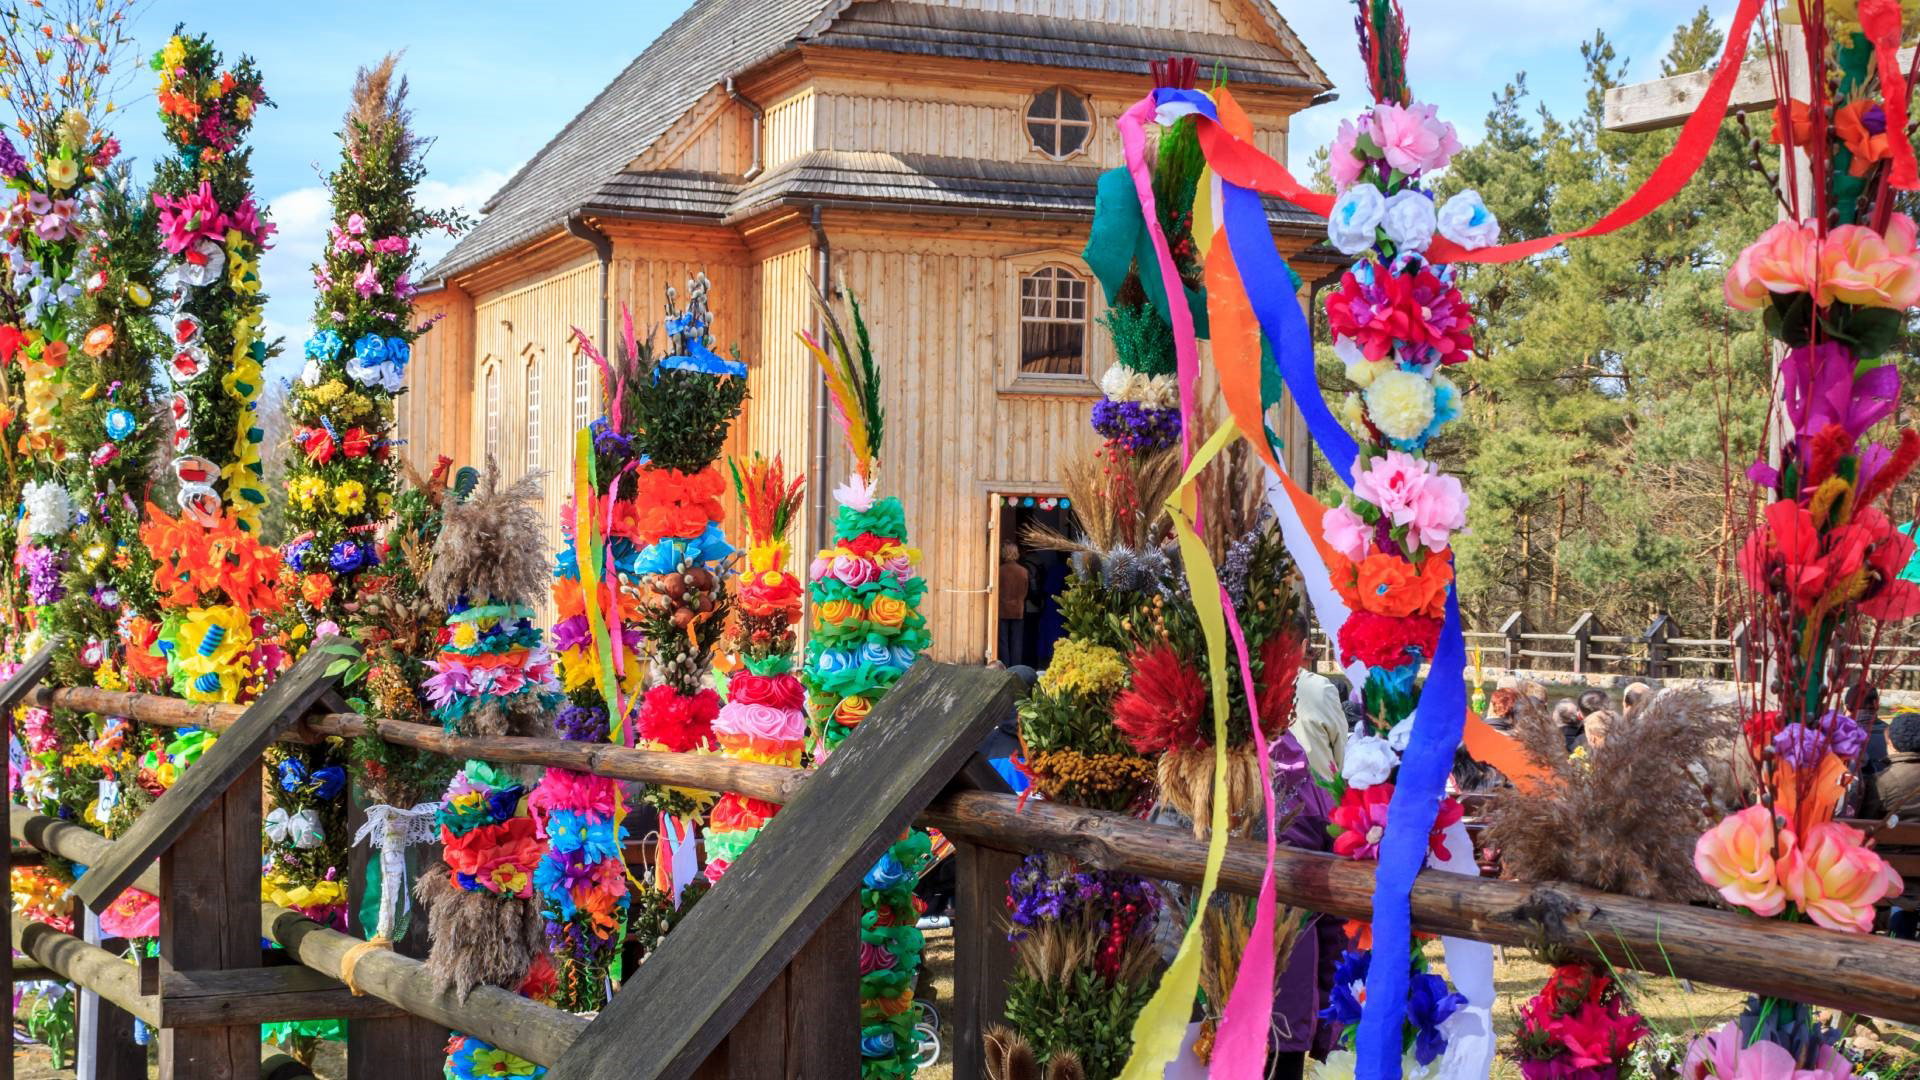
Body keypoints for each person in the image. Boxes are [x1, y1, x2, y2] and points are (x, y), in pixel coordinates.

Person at [997, 543, 1030, 666]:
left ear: (1004, 553)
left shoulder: (999, 570)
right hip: (1018, 610)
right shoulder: (1023, 571)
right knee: (1017, 641)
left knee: (1003, 641)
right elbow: (1025, 591)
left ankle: (1005, 667)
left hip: (1002, 609)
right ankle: (1016, 667)